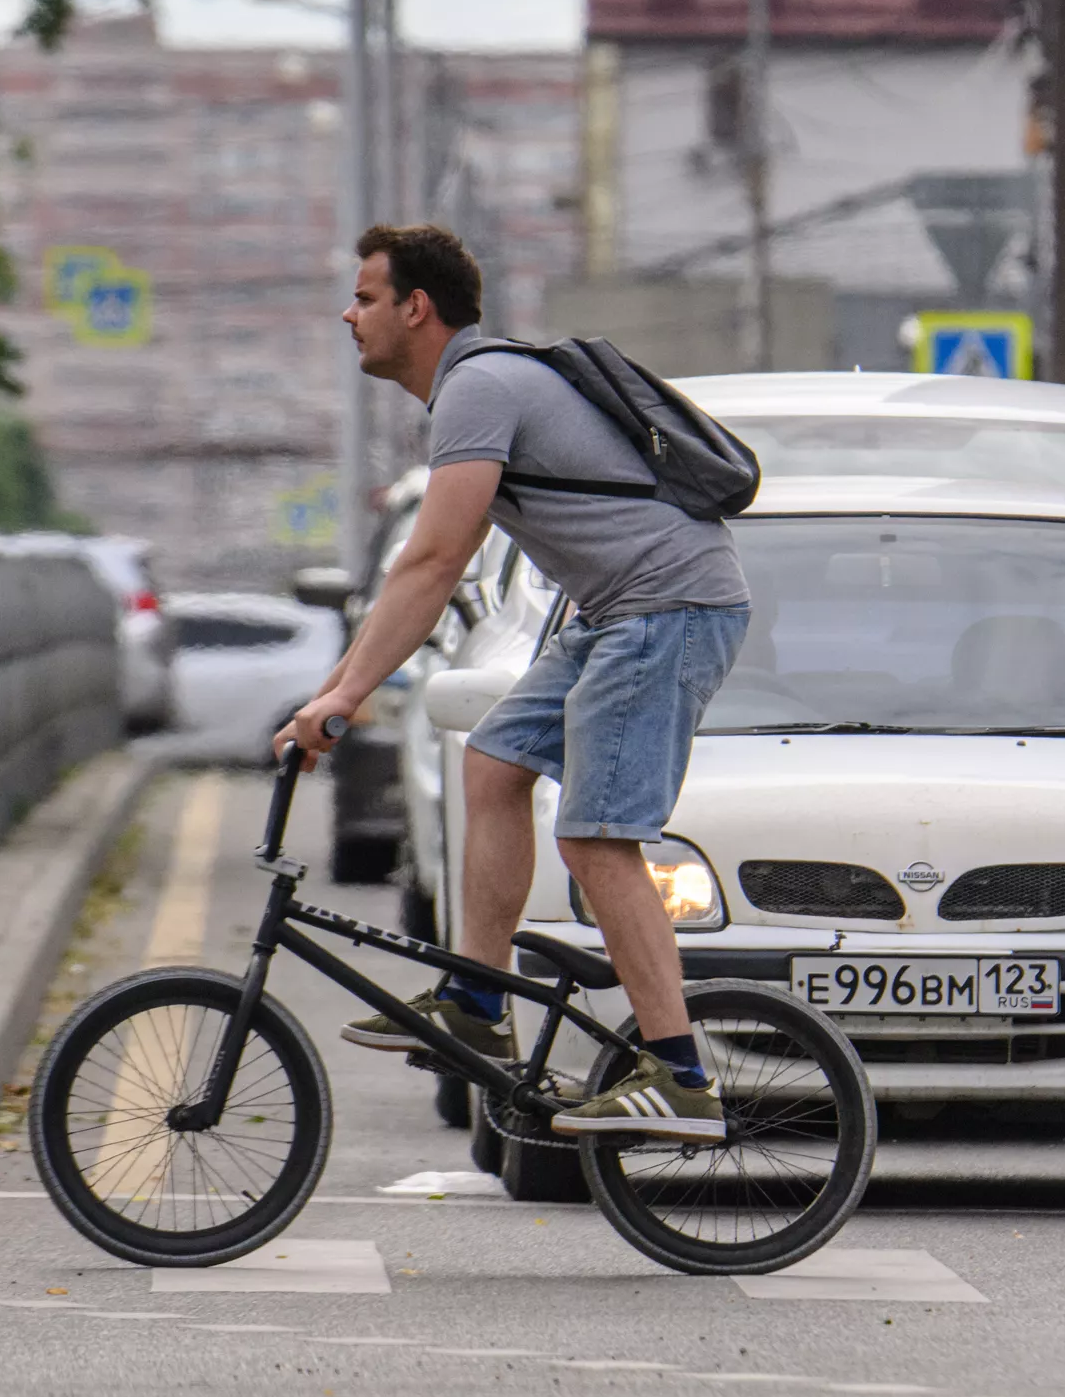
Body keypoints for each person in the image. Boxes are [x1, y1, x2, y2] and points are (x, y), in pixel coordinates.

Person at [275, 224, 750, 1142]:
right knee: (492, 766)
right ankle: (478, 1004)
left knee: (598, 839)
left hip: (667, 611)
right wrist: (332, 693)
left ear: (417, 308)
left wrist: (339, 699)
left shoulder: (480, 387)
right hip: (618, 612)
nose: (350, 313)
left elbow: (434, 561)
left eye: (365, 297)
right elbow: (418, 573)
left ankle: (683, 1077)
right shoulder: (478, 387)